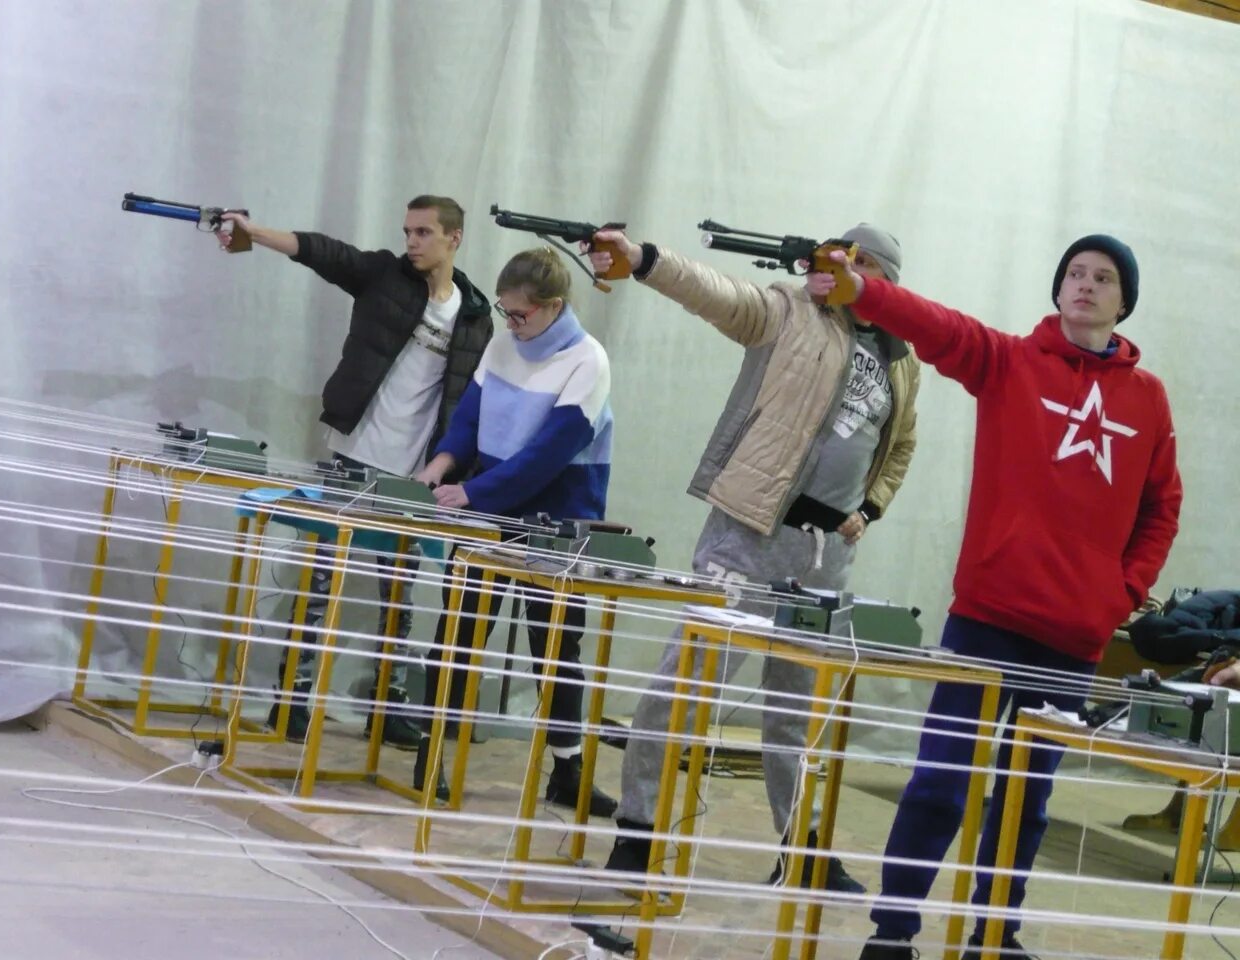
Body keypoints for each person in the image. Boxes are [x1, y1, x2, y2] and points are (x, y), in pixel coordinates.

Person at [808, 236, 1183, 959]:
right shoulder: (1009, 361)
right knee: (939, 782)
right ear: (1058, 287)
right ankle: (892, 934)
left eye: (1103, 278)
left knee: (1026, 801)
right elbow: (938, 324)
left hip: (1073, 639)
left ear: (1123, 301)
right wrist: (863, 291)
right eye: (1075, 273)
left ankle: (995, 936)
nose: (1085, 285)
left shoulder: (1150, 399)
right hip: (985, 619)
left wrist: (1121, 592)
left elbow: (1161, 508)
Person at [584, 224, 922, 893]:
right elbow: (715, 293)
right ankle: (638, 831)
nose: (852, 275)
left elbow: (902, 442)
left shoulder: (900, 357)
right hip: (749, 533)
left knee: (795, 714)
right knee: (684, 686)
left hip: (825, 560)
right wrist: (648, 259)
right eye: (844, 262)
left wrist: (872, 507)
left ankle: (800, 850)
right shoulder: (789, 312)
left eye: (867, 268)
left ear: (884, 279)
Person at [216, 197, 493, 747]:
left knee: (400, 594)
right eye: (407, 231)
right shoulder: (383, 276)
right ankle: (291, 701)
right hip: (354, 454)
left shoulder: (476, 315)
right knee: (321, 584)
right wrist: (255, 232)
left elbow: (469, 401)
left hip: (414, 476)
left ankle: (387, 707)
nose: (412, 241)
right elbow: (322, 252)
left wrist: (446, 469)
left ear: (454, 238)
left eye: (423, 232)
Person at [412, 247, 617, 815]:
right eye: (505, 313)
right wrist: (442, 463)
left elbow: (546, 457)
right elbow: (470, 417)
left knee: (555, 650)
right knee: (457, 634)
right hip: (489, 504)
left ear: (553, 307)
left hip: (553, 518)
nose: (511, 325)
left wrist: (471, 492)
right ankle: (431, 754)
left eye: (521, 315)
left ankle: (568, 770)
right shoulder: (504, 343)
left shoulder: (588, 361)